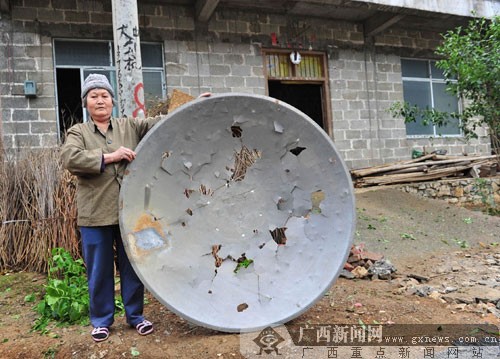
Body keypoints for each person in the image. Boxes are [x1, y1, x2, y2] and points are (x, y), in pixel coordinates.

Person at [61, 73, 160, 342]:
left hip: (129, 213)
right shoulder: (78, 132)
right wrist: (110, 156)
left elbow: (160, 124)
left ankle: (136, 316)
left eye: (105, 95)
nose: (100, 100)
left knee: (133, 266)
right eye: (94, 96)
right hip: (95, 214)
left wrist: (195, 105)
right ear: (86, 103)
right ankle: (102, 320)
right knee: (99, 269)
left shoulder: (129, 126)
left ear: (113, 101)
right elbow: (70, 158)